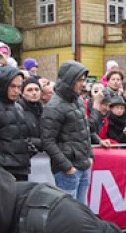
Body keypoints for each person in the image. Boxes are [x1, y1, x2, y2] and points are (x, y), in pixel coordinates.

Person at [41, 60, 109, 205]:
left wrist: (90, 156)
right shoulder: (53, 107)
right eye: (79, 80)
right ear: (69, 80)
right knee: (68, 213)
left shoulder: (78, 101)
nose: (83, 84)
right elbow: (48, 141)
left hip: (83, 165)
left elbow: (85, 130)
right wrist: (67, 167)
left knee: (82, 210)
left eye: (84, 80)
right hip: (68, 170)